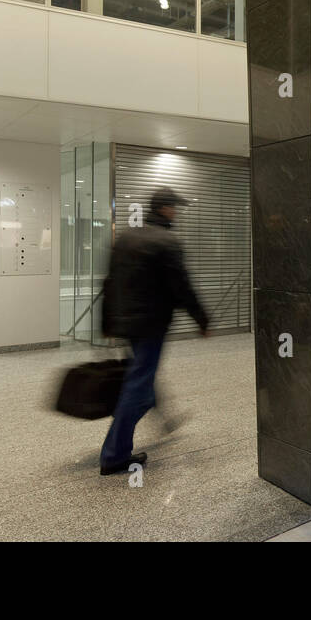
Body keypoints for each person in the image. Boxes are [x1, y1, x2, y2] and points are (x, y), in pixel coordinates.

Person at [99, 188, 210, 475]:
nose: (177, 212)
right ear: (165, 209)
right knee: (139, 383)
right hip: (151, 324)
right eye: (174, 207)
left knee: (141, 374)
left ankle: (159, 414)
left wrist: (107, 323)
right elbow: (181, 287)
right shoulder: (167, 241)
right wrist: (202, 319)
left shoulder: (126, 237)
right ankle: (114, 455)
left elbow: (109, 283)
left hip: (127, 323)